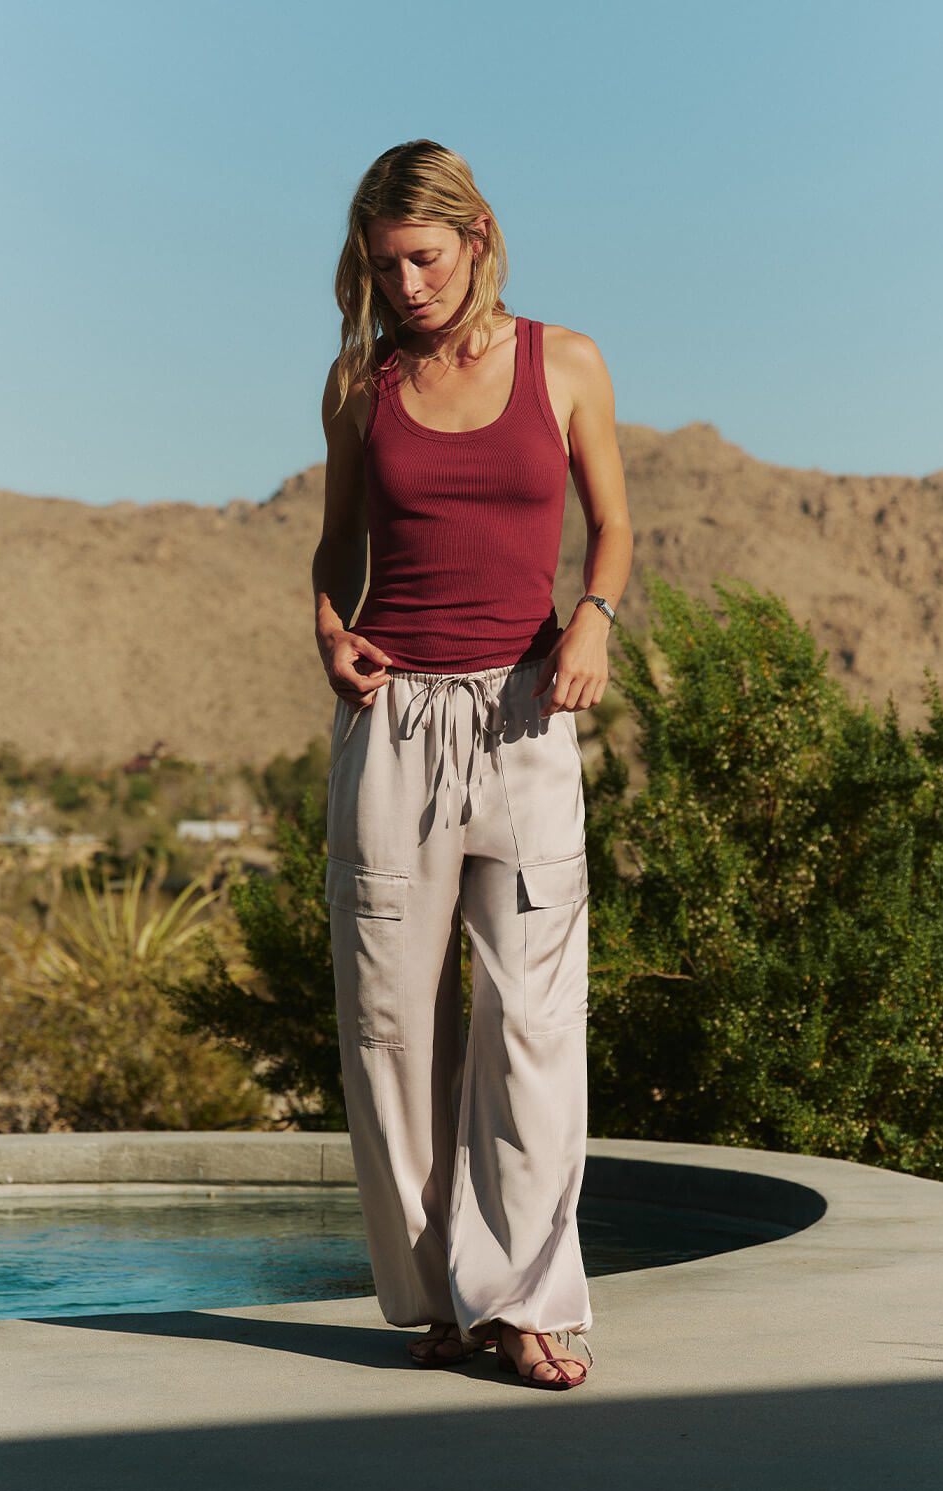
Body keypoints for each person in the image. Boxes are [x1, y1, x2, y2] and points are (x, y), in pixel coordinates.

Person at [312, 140, 632, 1390]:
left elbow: (611, 522)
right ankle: (442, 1300)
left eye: (424, 259)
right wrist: (328, 628)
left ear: (478, 236)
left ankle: (528, 1302)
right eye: (384, 266)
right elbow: (340, 543)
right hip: (393, 728)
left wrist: (593, 616)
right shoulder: (361, 382)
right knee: (393, 1027)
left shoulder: (566, 362)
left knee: (533, 1024)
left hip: (526, 715)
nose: (406, 286)